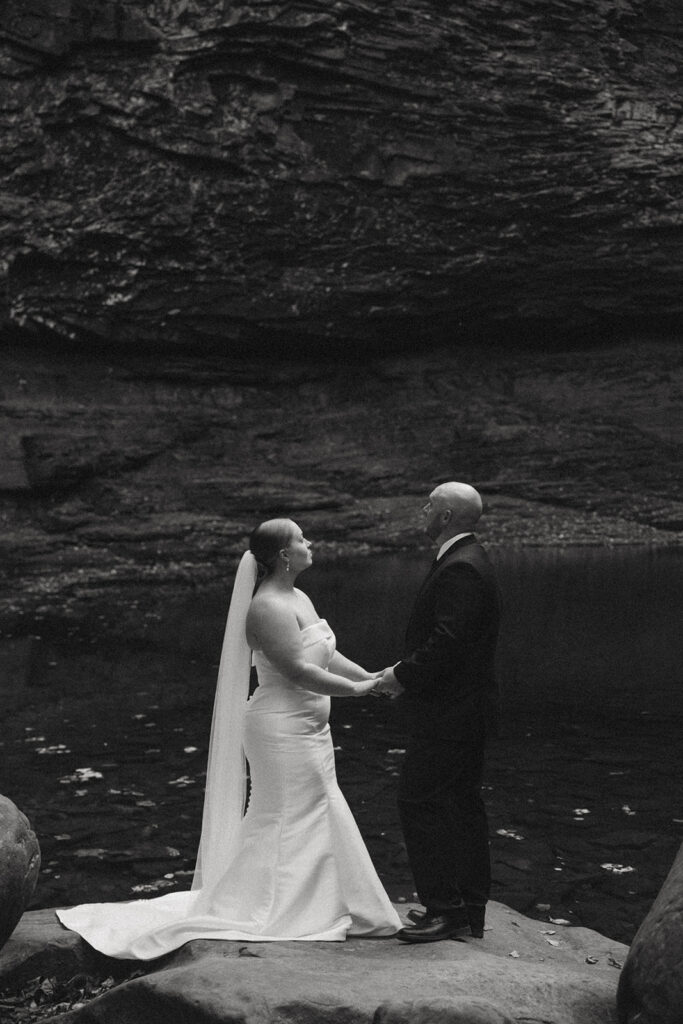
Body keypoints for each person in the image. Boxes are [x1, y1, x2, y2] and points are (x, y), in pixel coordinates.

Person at [57, 518, 400, 957]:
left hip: (311, 727)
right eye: (301, 539)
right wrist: (360, 691)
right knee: (285, 815)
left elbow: (327, 653)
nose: (309, 543)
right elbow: (297, 670)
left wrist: (369, 676)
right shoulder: (267, 607)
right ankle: (274, 905)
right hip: (280, 729)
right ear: (283, 555)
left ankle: (328, 901)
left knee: (315, 805)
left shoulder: (299, 596)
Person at [375, 482, 501, 944]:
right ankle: (467, 908)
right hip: (462, 714)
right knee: (461, 805)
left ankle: (446, 909)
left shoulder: (461, 567)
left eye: (429, 504)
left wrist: (401, 676)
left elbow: (448, 642)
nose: (422, 510)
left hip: (451, 717)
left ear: (446, 516)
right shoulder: (468, 559)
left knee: (420, 801)